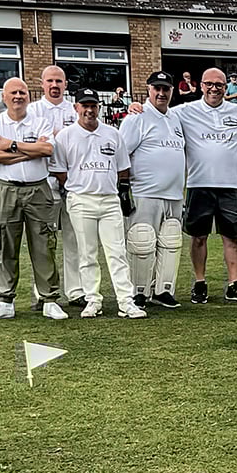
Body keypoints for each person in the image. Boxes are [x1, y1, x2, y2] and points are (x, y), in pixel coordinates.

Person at [51, 88, 146, 319]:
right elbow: (60, 171)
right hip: (81, 200)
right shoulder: (65, 136)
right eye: (85, 106)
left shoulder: (112, 134)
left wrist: (121, 192)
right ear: (76, 108)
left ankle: (126, 301)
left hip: (109, 200)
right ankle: (93, 299)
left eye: (93, 105)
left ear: (98, 107)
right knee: (87, 253)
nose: (89, 110)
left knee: (117, 252)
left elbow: (123, 168)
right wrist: (77, 186)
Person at [0, 78, 67, 321]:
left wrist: (10, 146)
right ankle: (5, 301)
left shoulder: (40, 121)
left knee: (44, 244)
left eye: (22, 92)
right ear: (4, 97)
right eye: (13, 93)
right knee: (6, 244)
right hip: (6, 190)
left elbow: (47, 150)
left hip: (38, 190)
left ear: (28, 96)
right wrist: (28, 152)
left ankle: (49, 300)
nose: (18, 96)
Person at [173, 68, 237, 304]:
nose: (214, 88)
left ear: (225, 87)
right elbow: (159, 115)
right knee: (198, 237)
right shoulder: (185, 111)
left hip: (230, 185)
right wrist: (136, 107)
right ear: (201, 86)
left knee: (231, 237)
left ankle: (234, 284)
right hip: (198, 184)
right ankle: (200, 282)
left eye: (219, 85)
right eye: (209, 84)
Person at [119, 71, 186, 310]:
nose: (161, 93)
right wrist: (123, 186)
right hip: (144, 192)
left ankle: (163, 290)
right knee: (141, 241)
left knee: (170, 242)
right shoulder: (136, 118)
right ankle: (139, 292)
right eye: (157, 88)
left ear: (172, 91)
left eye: (166, 89)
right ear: (149, 89)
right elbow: (121, 154)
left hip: (174, 194)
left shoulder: (175, 118)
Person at [28, 65, 84, 309]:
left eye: (59, 81)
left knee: (75, 238)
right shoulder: (33, 110)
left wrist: (52, 134)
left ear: (65, 84)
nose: (54, 85)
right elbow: (32, 142)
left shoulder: (75, 108)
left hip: (73, 182)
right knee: (44, 240)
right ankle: (44, 293)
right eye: (50, 81)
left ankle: (76, 291)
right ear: (42, 84)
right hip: (44, 181)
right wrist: (60, 135)